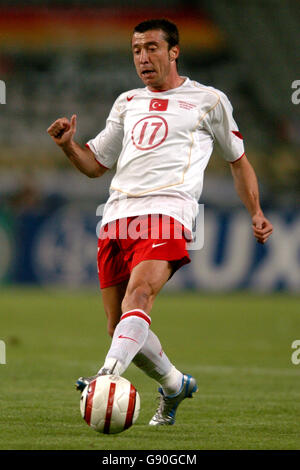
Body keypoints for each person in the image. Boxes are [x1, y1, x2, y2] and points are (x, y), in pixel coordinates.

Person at [47, 18, 273, 426]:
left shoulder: (209, 100)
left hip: (169, 212)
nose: (143, 58)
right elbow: (96, 165)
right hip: (117, 217)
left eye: (152, 48)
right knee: (119, 327)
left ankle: (106, 376)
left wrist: (255, 211)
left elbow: (238, 161)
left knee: (139, 299)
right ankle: (174, 384)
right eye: (136, 50)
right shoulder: (126, 102)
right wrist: (68, 147)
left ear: (173, 52)